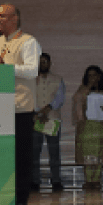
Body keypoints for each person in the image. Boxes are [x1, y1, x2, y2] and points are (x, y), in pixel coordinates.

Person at [0, 3, 41, 205]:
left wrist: (6, 68)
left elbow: (32, 71)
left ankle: (20, 197)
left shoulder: (28, 42)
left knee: (20, 155)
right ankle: (0, 195)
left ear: (14, 19)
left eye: (2, 16)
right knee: (0, 154)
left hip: (20, 108)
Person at [72, 65, 103, 190]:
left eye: (94, 75)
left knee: (100, 153)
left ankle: (97, 179)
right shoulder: (83, 89)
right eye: (89, 75)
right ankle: (88, 180)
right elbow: (77, 102)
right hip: (87, 126)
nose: (92, 78)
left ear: (100, 76)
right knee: (88, 153)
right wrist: (88, 89)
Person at [32, 53, 66, 192]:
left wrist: (47, 109)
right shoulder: (31, 79)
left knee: (54, 152)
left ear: (50, 63)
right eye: (40, 62)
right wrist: (38, 112)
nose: (43, 64)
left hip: (52, 118)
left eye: (45, 62)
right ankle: (34, 181)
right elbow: (29, 97)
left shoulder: (58, 79)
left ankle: (56, 180)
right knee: (34, 152)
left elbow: (60, 98)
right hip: (35, 118)